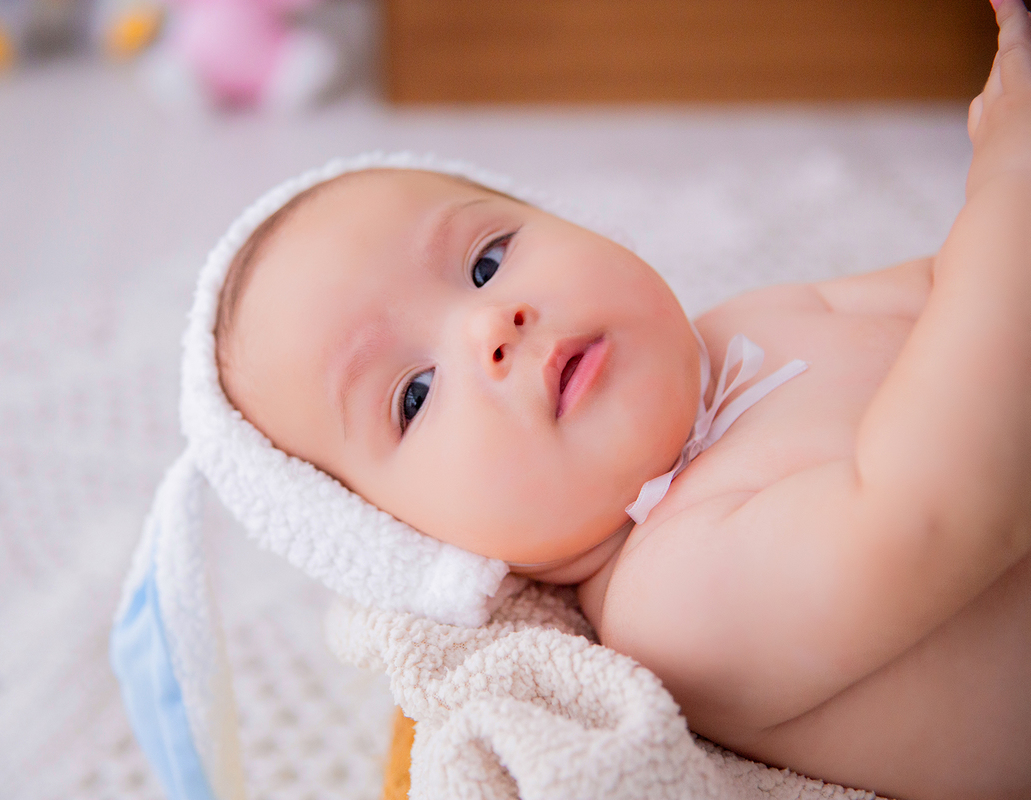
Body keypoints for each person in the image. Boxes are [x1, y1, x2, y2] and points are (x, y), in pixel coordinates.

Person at [207, 2, 1031, 796]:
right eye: (415, 395)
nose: (492, 324)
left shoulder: (750, 322)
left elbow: (962, 284)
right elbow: (940, 507)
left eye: (488, 259)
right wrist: (1008, 173)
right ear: (416, 547)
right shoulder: (672, 599)